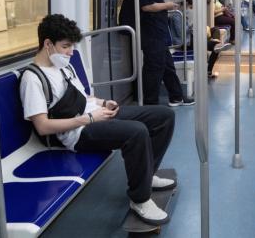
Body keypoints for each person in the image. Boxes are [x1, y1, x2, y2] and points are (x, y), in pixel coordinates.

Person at [20, 14, 177, 225]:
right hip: (76, 132)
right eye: (66, 46)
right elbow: (43, 126)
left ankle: (147, 176)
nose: (70, 52)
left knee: (164, 116)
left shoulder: (63, 65)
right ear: (48, 44)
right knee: (136, 132)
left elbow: (82, 97)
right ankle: (140, 199)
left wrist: (103, 103)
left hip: (93, 115)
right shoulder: (32, 79)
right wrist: (89, 119)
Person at [119, 0, 194, 106]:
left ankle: (176, 96)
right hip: (149, 32)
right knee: (154, 68)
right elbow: (146, 7)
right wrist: (167, 5)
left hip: (156, 32)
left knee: (167, 65)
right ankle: (150, 103)